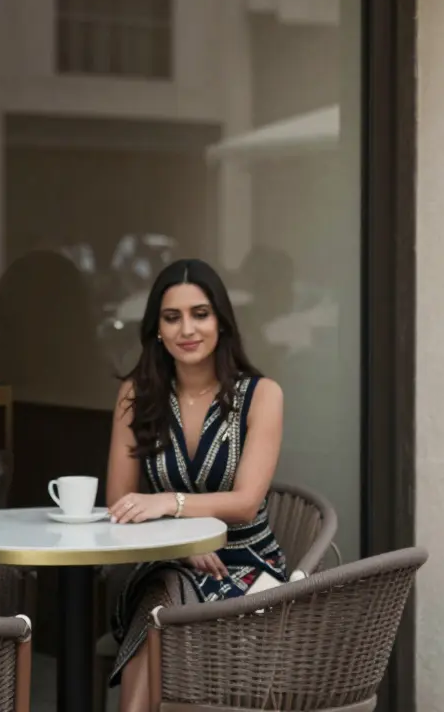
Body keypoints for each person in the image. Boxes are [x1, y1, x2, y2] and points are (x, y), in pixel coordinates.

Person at [105, 259, 287, 712]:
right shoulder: (136, 395)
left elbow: (245, 505)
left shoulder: (261, 395)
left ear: (221, 322)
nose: (188, 328)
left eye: (200, 314)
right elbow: (119, 504)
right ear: (157, 331)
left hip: (243, 566)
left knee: (157, 607)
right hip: (167, 557)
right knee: (161, 592)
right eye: (172, 317)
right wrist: (181, 545)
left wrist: (169, 503)